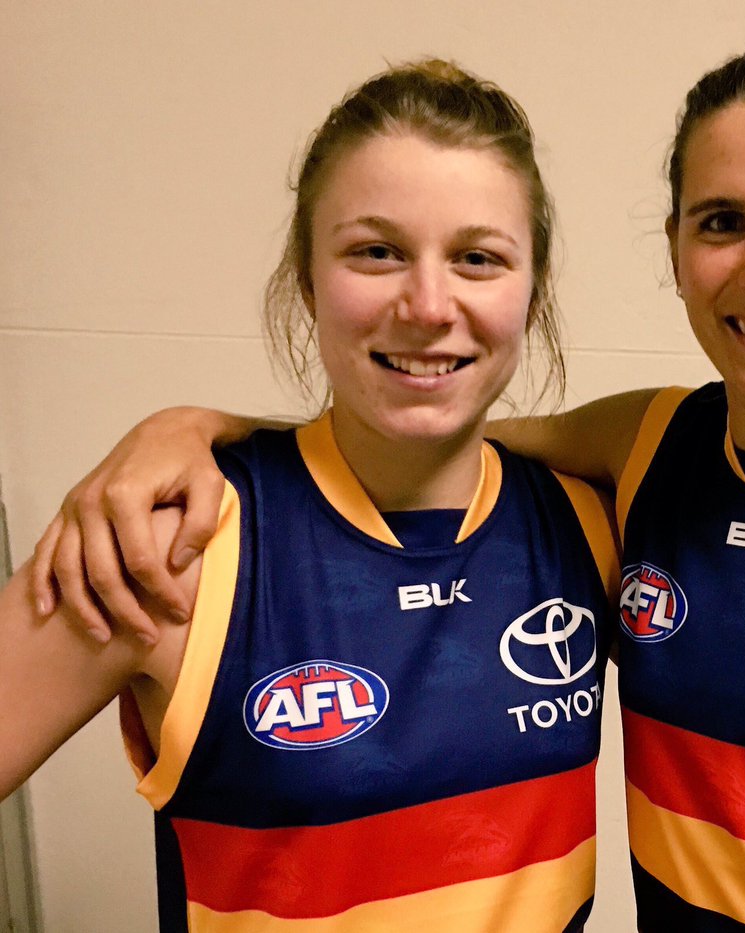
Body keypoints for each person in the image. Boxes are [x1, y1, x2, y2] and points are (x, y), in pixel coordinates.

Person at [30, 34, 745, 933]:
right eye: (723, 222)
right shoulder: (645, 460)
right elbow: (429, 427)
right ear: (678, 251)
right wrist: (199, 431)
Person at [0, 60, 622, 932]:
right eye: (377, 252)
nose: (428, 304)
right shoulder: (175, 545)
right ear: (307, 276)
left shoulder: (589, 528)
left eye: (478, 258)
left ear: (533, 289)